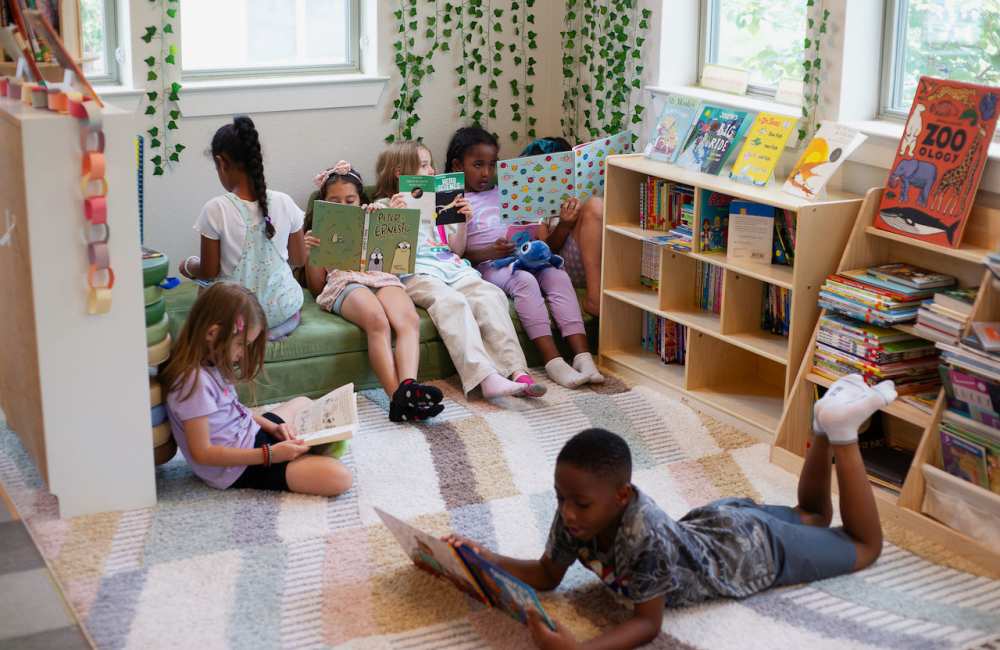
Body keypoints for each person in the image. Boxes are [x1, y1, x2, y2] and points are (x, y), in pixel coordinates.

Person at [447, 374, 895, 649]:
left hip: (752, 553)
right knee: (812, 515)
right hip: (718, 523)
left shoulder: (642, 537)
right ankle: (823, 424)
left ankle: (842, 433)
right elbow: (547, 574)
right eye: (561, 497)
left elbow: (646, 624)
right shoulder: (578, 508)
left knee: (864, 545)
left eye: (578, 503)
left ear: (622, 496)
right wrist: (482, 556)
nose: (566, 512)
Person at [373, 140, 546, 399]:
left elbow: (456, 250)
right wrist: (396, 219)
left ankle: (516, 371)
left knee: (490, 295)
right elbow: (384, 259)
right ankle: (485, 377)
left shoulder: (440, 202)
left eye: (430, 164)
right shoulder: (385, 206)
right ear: (400, 172)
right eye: (423, 165)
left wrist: (463, 222)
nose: (432, 170)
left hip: (452, 266)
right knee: (452, 303)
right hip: (416, 272)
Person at [162, 283, 352, 496]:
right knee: (340, 478)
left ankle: (301, 454)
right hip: (238, 467)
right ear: (213, 333)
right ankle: (304, 458)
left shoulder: (210, 363)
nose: (243, 354)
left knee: (304, 403)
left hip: (252, 439)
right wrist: (269, 455)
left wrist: (271, 427)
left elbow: (235, 410)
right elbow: (202, 453)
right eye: (242, 345)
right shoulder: (192, 382)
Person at [453, 127, 604, 388]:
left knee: (556, 274)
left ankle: (582, 356)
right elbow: (458, 253)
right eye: (477, 165)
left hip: (525, 254)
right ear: (458, 165)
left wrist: (535, 227)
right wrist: (491, 252)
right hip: (492, 263)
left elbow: (541, 241)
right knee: (524, 280)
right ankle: (553, 361)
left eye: (491, 165)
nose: (486, 173)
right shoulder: (455, 200)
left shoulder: (507, 191)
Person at [301, 161, 443, 422]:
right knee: (377, 320)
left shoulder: (374, 211)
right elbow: (316, 287)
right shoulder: (318, 231)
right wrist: (311, 254)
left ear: (359, 199)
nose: (344, 206)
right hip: (344, 282)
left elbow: (397, 260)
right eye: (335, 201)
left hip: (381, 276)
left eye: (350, 199)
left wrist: (392, 216)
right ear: (323, 203)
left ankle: (408, 387)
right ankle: (396, 398)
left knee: (408, 320)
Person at [179, 115, 305, 340]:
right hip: (284, 314)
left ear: (221, 163)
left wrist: (188, 266)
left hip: (238, 320)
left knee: (204, 291)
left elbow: (208, 271)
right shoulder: (285, 202)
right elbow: (299, 259)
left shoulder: (215, 209)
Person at [523, 137, 605, 317]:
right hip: (565, 265)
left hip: (602, 259)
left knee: (597, 204)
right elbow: (545, 250)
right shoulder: (540, 209)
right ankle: (595, 298)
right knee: (596, 205)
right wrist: (564, 224)